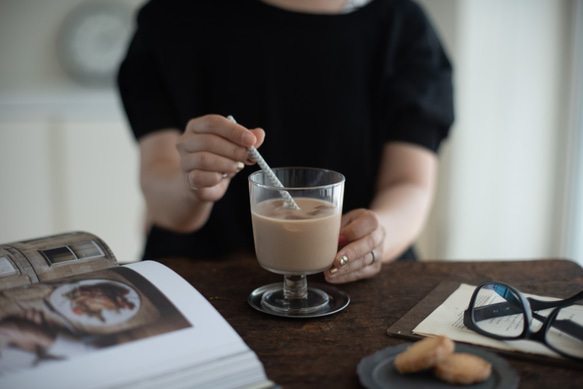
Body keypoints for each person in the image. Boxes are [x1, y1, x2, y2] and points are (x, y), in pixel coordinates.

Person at [117, 0, 454, 284]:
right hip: (202, 286)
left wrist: (379, 236)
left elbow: (408, 182)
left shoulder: (401, 25)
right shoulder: (172, 17)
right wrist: (195, 184)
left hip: (356, 285)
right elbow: (163, 201)